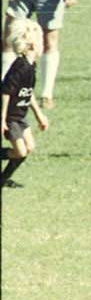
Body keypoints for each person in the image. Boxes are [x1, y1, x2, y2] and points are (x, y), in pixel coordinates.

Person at [0, 18, 48, 188]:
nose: (43, 45)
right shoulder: (20, 67)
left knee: (29, 147)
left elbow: (28, 93)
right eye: (41, 41)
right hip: (11, 117)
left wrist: (39, 115)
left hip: (20, 116)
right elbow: (5, 92)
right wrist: (2, 119)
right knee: (19, 152)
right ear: (32, 45)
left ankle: (2, 180)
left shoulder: (31, 65)